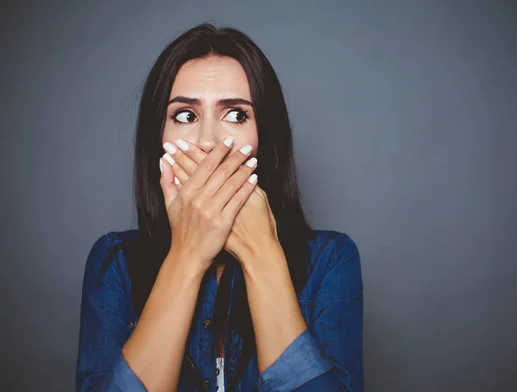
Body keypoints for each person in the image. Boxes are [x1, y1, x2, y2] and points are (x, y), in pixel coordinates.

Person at [75, 22, 363, 392]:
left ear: (265, 141)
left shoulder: (331, 260)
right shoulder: (114, 263)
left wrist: (262, 253)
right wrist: (187, 254)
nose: (209, 141)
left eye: (236, 115)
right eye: (185, 116)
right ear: (157, 142)